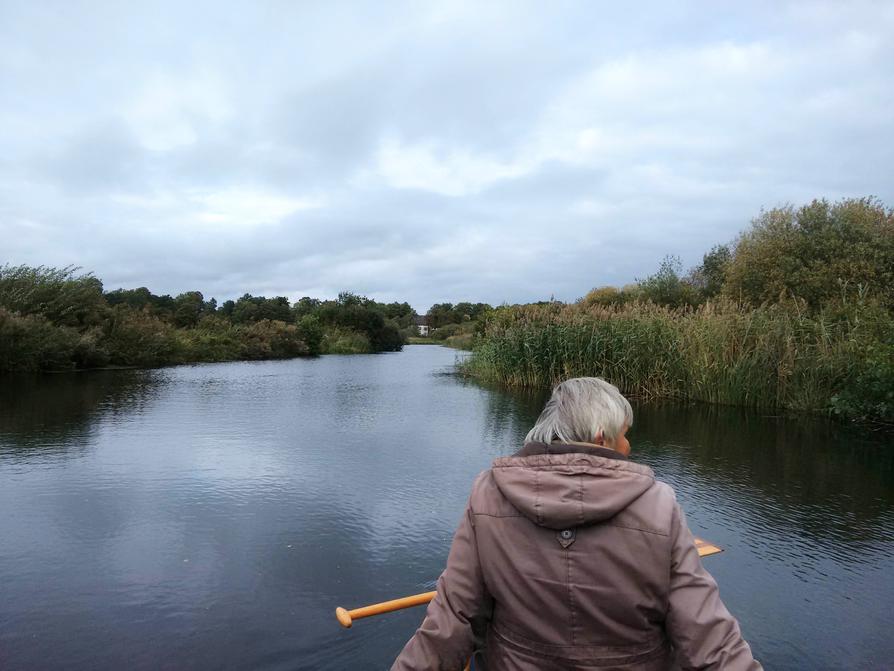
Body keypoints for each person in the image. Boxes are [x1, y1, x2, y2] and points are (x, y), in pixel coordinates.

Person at [392, 377, 761, 670]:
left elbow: (453, 618)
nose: (629, 445)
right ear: (602, 437)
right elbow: (708, 639)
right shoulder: (659, 503)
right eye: (625, 433)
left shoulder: (487, 493)